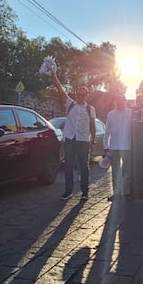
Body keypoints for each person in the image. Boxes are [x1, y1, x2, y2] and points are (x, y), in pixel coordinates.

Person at [50, 72, 96, 201]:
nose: (80, 97)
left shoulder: (90, 109)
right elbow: (60, 89)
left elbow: (92, 126)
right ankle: (68, 191)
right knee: (68, 166)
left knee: (84, 167)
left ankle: (85, 192)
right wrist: (54, 75)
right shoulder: (70, 104)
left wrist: (93, 141)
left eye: (83, 95)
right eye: (78, 94)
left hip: (83, 141)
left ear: (87, 96)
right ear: (76, 95)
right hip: (70, 139)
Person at [104, 93, 132, 202]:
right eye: (117, 100)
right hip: (114, 147)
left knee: (127, 171)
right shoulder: (110, 114)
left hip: (127, 147)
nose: (119, 102)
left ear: (125, 101)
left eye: (121, 100)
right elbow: (107, 132)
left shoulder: (131, 113)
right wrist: (106, 146)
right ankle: (116, 193)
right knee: (115, 171)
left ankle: (126, 192)